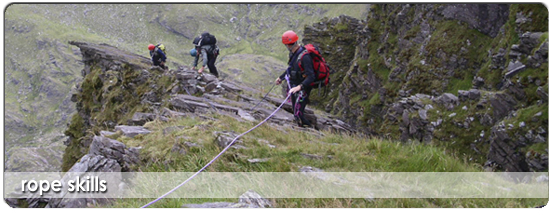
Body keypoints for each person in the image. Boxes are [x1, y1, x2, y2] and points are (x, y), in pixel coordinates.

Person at [275, 30, 315, 128]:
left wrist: (299, 87)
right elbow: (290, 69)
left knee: (298, 113)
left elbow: (311, 76)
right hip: (294, 86)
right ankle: (301, 129)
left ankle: (312, 130)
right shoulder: (293, 54)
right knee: (295, 111)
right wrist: (281, 78)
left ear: (289, 45)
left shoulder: (305, 57)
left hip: (303, 88)